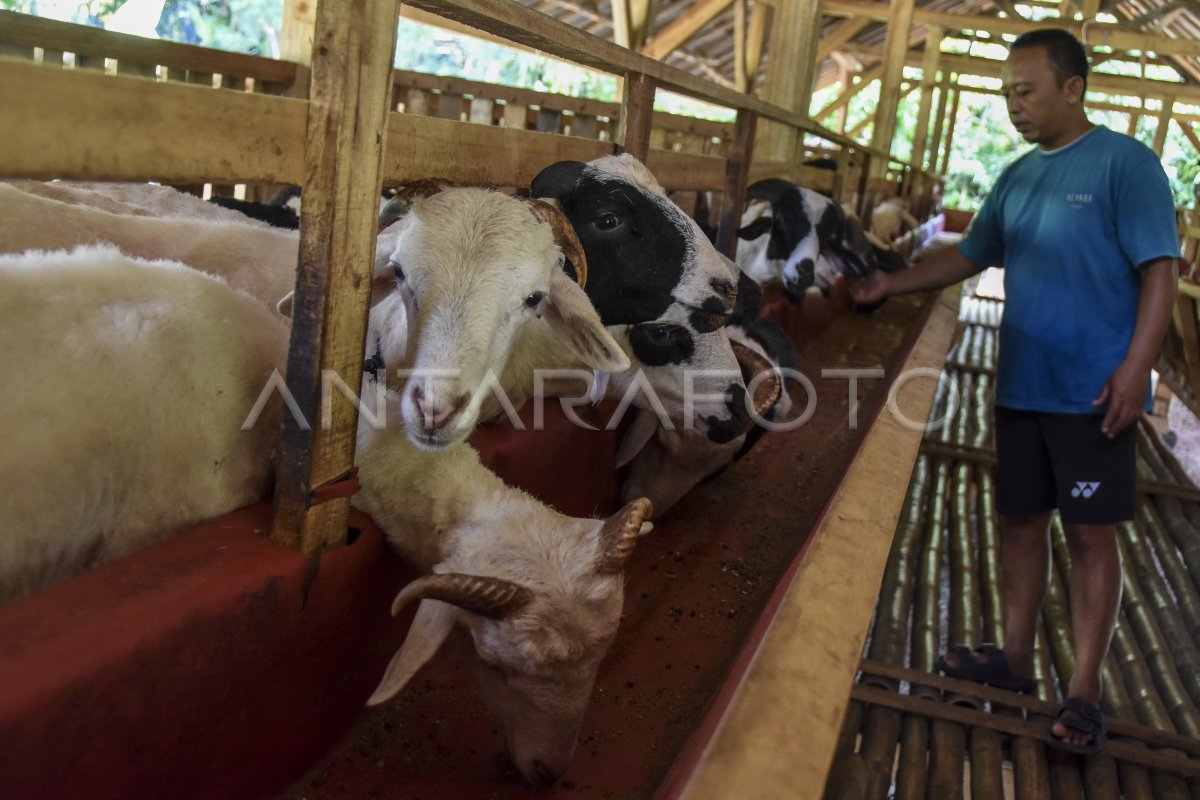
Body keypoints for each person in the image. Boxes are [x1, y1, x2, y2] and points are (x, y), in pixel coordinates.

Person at [850, 28, 1180, 754]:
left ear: (1073, 88)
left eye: (1025, 91)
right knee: (1021, 522)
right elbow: (970, 255)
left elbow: (1160, 271)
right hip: (1023, 385)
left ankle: (1085, 690)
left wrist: (1136, 369)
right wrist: (889, 282)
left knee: (1092, 536)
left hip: (1095, 392)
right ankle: (1016, 658)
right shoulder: (1018, 176)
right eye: (1006, 94)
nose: (1013, 106)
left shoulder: (1127, 165)